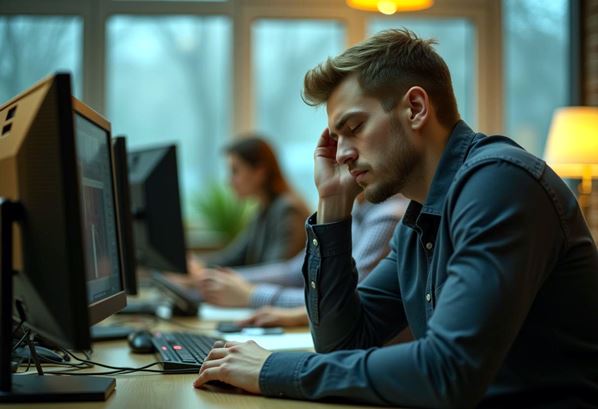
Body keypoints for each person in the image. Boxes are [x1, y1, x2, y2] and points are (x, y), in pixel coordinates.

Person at [192, 29, 598, 407]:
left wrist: (272, 369)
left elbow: (447, 370)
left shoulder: (500, 184)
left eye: (354, 128)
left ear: (416, 109)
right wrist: (333, 205)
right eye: (337, 139)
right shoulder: (420, 218)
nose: (343, 154)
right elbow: (342, 342)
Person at [195, 193, 408, 308]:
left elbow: (344, 303)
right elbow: (296, 270)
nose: (343, 154)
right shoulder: (358, 212)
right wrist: (214, 277)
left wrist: (251, 294)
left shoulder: (388, 216)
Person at [200, 135, 310, 267]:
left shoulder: (289, 210)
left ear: (260, 172)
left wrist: (217, 277)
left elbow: (275, 272)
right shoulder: (262, 211)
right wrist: (198, 266)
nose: (229, 181)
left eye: (235, 171)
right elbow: (234, 256)